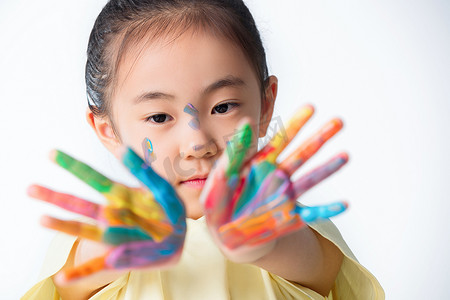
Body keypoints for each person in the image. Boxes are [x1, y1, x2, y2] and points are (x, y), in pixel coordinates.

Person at [22, 0, 384, 299]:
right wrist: (112, 252)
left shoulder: (281, 220)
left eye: (223, 107)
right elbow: (66, 288)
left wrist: (266, 245)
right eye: (160, 116)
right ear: (109, 130)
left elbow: (322, 273)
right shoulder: (103, 234)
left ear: (265, 105)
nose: (197, 144)